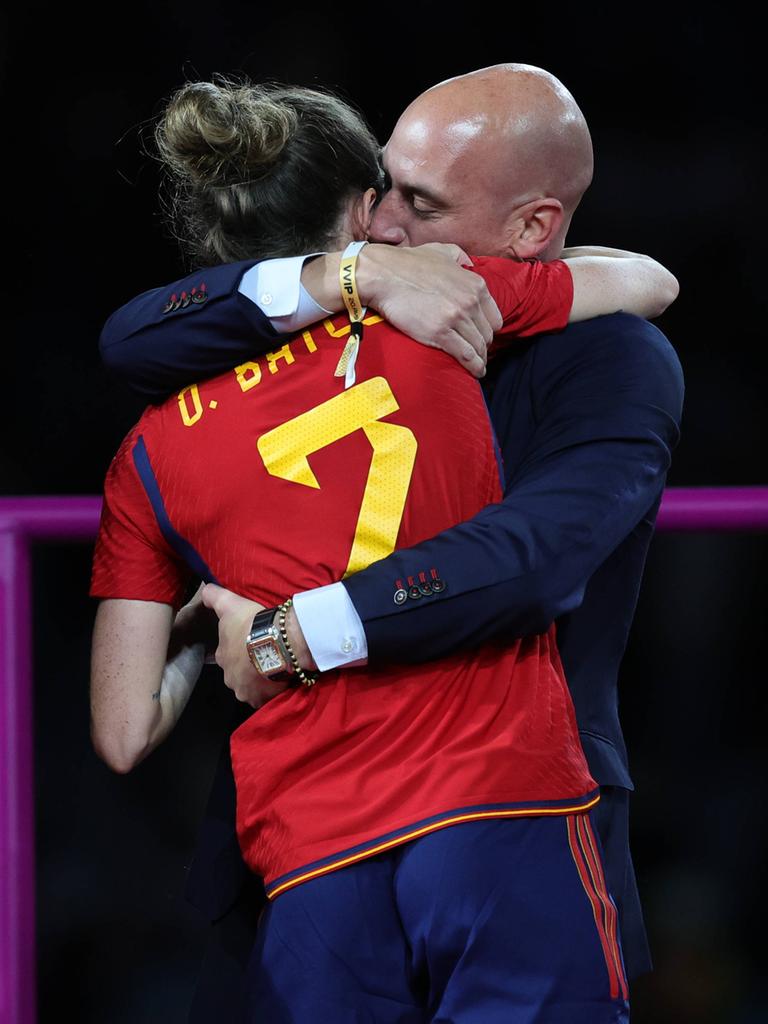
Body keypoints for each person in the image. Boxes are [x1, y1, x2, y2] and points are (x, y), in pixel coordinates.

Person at [95, 66, 683, 1016]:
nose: (382, 222)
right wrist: (348, 275)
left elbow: (531, 558)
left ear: (533, 229)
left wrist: (281, 635)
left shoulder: (610, 357)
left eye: (418, 201)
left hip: (511, 811)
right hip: (316, 844)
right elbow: (128, 339)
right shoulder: (346, 299)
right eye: (379, 190)